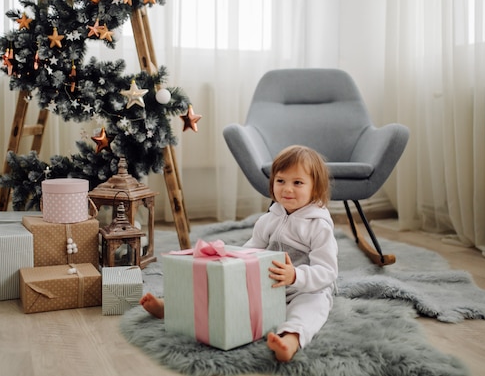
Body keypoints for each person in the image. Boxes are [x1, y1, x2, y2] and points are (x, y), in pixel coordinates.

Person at [140, 144, 338, 362]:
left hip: (307, 289)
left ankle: (290, 340)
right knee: (227, 295)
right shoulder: (268, 219)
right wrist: (230, 264)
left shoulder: (319, 226)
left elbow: (327, 271)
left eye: (298, 183)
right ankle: (175, 307)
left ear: (315, 188)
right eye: (281, 181)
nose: (287, 189)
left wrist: (296, 276)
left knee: (310, 309)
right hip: (269, 284)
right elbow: (251, 250)